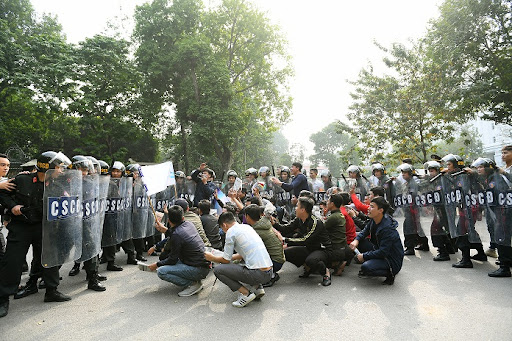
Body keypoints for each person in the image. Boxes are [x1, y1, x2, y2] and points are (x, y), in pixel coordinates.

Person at [0, 151, 72, 318]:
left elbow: (66, 200)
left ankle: (51, 291)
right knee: (12, 261)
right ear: (46, 167)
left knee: (49, 258)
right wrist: (12, 207)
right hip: (21, 226)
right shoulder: (22, 180)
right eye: (58, 167)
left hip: (44, 227)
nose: (61, 170)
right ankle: (3, 298)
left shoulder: (56, 184)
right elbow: (3, 193)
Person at [205, 212, 272, 308]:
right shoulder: (247, 227)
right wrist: (229, 257)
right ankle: (257, 288)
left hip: (258, 274)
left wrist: (212, 258)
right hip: (269, 271)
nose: (223, 231)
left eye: (222, 228)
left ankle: (246, 294)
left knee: (218, 270)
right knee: (247, 262)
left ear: (224, 225)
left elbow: (226, 260)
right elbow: (245, 253)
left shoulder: (230, 232)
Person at [148, 205, 210, 296]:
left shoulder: (177, 235)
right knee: (166, 261)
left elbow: (172, 259)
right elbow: (177, 233)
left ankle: (193, 284)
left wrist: (156, 265)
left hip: (199, 269)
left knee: (161, 271)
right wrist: (166, 230)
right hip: (203, 265)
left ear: (169, 221)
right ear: (183, 217)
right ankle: (194, 279)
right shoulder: (189, 224)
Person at [273, 197, 333, 286]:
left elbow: (305, 240)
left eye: (297, 206)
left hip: (322, 249)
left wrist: (285, 240)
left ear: (303, 210)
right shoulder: (299, 219)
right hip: (309, 248)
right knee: (284, 253)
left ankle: (326, 273)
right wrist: (274, 223)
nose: (295, 208)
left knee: (311, 260)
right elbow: (286, 229)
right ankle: (307, 267)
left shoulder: (316, 222)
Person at [349, 197, 404, 285]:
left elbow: (383, 252)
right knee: (358, 241)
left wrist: (364, 256)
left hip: (391, 260)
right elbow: (365, 231)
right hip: (379, 250)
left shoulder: (387, 229)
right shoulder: (375, 219)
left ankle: (391, 273)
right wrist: (356, 240)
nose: (368, 209)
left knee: (366, 267)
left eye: (372, 207)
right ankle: (372, 261)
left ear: (380, 210)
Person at [244, 204, 285, 287]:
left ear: (247, 216)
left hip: (274, 263)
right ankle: (271, 274)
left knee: (249, 264)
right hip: (278, 259)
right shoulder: (264, 222)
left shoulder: (255, 231)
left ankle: (270, 276)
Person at [324, 194, 347, 276]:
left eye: (328, 201)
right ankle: (337, 263)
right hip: (342, 247)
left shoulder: (333, 217)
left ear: (332, 204)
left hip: (335, 248)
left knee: (316, 259)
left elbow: (321, 228)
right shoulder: (338, 214)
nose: (327, 202)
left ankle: (336, 264)